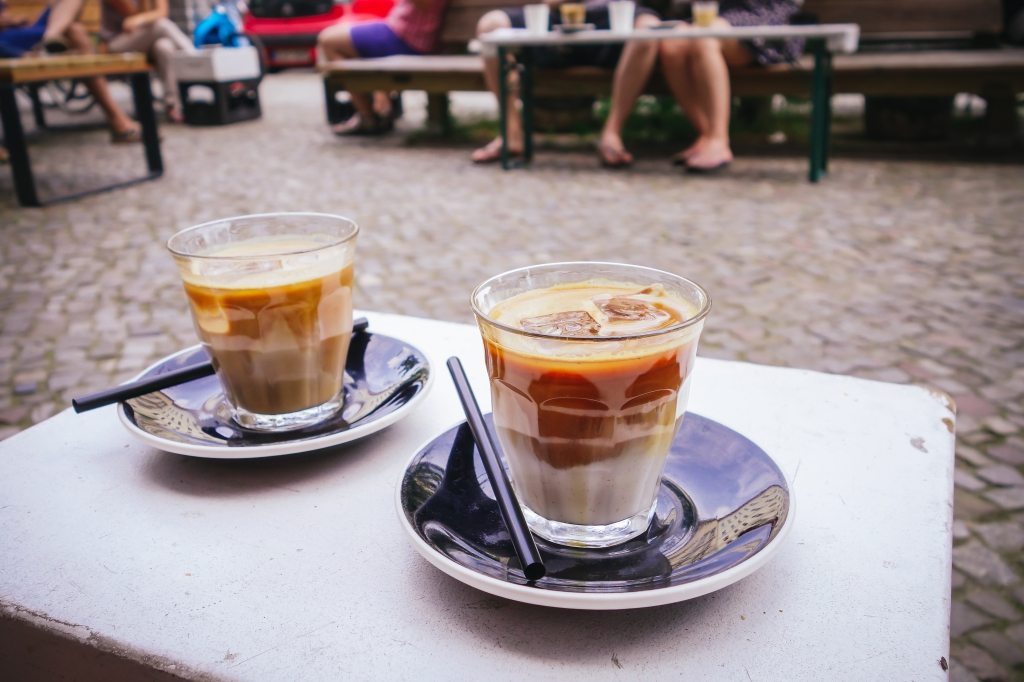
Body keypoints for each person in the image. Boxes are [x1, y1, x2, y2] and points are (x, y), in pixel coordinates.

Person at [470, 0, 661, 167]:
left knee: (648, 27)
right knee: (491, 25)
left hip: (615, 14)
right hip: (558, 19)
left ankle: (612, 134)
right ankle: (510, 133)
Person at [655, 0, 803, 173]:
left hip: (764, 15)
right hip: (716, 11)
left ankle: (719, 141)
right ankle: (706, 135)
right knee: (672, 44)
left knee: (705, 36)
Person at [0, 0, 143, 143]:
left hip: (18, 34)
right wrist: (19, 54)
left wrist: (11, 20)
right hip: (7, 43)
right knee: (75, 31)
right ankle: (118, 120)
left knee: (75, 30)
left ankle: (49, 41)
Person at [317, 0, 450, 135]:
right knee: (337, 36)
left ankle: (368, 115)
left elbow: (425, 4)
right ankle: (375, 105)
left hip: (405, 37)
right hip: (400, 31)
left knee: (328, 41)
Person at [100, 0, 195, 123]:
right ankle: (195, 58)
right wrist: (146, 17)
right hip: (117, 43)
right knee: (161, 25)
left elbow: (162, 12)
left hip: (147, 37)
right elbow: (130, 20)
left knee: (164, 47)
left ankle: (172, 105)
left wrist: (145, 17)